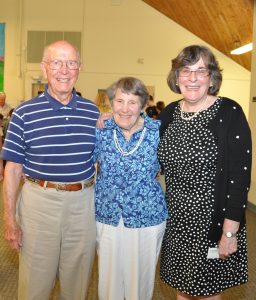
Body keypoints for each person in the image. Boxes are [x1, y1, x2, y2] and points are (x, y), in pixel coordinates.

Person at [2, 40, 99, 300]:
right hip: (39, 204)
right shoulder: (24, 113)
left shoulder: (93, 113)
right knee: (35, 285)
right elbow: (12, 170)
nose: (64, 70)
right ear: (45, 68)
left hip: (83, 205)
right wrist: (10, 219)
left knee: (77, 285)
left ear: (80, 68)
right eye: (57, 63)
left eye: (71, 63)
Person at [157, 45, 252, 299]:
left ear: (212, 77)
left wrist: (229, 232)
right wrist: (110, 120)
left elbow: (239, 178)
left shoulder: (229, 112)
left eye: (201, 71)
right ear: (177, 77)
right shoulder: (169, 113)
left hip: (212, 222)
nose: (193, 78)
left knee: (208, 293)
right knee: (181, 289)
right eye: (186, 71)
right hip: (176, 221)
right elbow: (146, 149)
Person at [94, 77, 168, 300]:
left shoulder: (159, 132)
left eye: (132, 102)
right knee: (108, 282)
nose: (125, 109)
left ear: (143, 104)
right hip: (107, 215)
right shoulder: (101, 130)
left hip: (147, 216)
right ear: (110, 103)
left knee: (140, 283)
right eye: (119, 101)